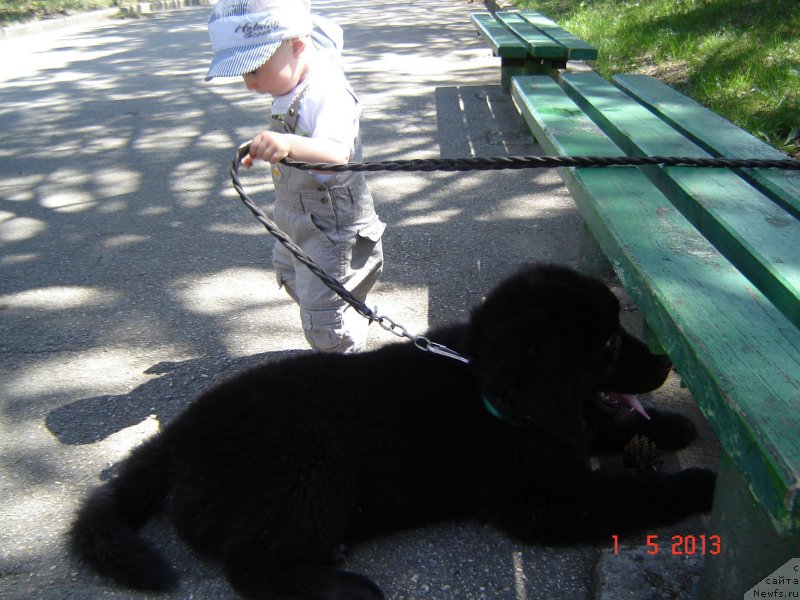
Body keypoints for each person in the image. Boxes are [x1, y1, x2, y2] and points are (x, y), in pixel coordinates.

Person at [205, 0, 385, 353]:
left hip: (332, 226)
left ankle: (345, 365)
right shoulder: (289, 83)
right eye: (242, 74)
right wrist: (267, 146)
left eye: (254, 70)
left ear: (297, 45)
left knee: (324, 320)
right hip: (296, 218)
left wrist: (287, 142)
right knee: (289, 272)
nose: (248, 84)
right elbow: (293, 137)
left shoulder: (328, 92)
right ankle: (346, 309)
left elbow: (337, 154)